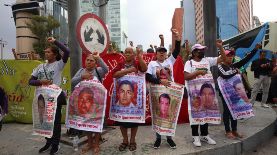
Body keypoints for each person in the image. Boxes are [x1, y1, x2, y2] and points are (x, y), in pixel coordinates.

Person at [29, 37, 69, 155]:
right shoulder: (40, 67)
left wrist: (55, 42)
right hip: (42, 98)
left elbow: (67, 52)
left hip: (54, 98)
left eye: (48, 52)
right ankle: (48, 142)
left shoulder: (59, 64)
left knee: (55, 122)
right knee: (44, 121)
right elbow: (30, 81)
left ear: (55, 54)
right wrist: (41, 82)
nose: (46, 53)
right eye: (45, 52)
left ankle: (55, 145)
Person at [184, 39, 226, 147]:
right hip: (195, 96)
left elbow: (224, 59)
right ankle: (195, 137)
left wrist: (220, 47)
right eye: (200, 50)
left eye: (203, 50)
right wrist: (198, 72)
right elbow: (186, 76)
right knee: (195, 116)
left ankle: (204, 135)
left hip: (207, 94)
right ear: (194, 52)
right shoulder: (189, 63)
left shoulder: (207, 60)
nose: (202, 52)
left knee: (206, 114)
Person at [146, 29, 181, 149]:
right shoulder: (152, 64)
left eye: (164, 52)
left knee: (169, 113)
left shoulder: (169, 61)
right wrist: (160, 81)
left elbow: (177, 50)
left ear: (166, 54)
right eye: (160, 52)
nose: (162, 53)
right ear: (156, 54)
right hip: (157, 92)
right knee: (158, 114)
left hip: (170, 91)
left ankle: (169, 138)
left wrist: (177, 37)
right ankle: (158, 138)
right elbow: (148, 76)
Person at [217, 44, 261, 139]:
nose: (230, 57)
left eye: (231, 55)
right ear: (223, 57)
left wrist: (255, 49)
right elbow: (225, 75)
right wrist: (235, 71)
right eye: (228, 55)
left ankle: (234, 130)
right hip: (225, 94)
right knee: (227, 112)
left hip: (235, 93)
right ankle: (227, 131)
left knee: (235, 111)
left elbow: (246, 59)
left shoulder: (234, 65)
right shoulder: (220, 66)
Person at [71, 52, 108, 155]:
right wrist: (82, 77)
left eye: (92, 60)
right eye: (87, 60)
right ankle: (90, 143)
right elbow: (73, 81)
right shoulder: (81, 71)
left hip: (97, 103)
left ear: (95, 63)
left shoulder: (98, 70)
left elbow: (106, 69)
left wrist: (99, 58)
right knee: (86, 123)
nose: (89, 62)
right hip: (84, 103)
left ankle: (96, 144)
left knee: (96, 124)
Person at [112, 46, 147, 152]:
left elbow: (144, 69)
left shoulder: (137, 63)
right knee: (121, 121)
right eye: (126, 52)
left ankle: (132, 141)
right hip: (121, 99)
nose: (127, 54)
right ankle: (125, 140)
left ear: (133, 54)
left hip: (134, 99)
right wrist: (128, 70)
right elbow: (114, 74)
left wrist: (140, 57)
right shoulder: (120, 64)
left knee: (134, 121)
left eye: (129, 52)